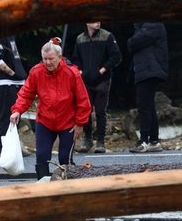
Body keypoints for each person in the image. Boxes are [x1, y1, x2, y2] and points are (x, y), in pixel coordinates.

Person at [10, 37, 91, 180]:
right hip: (45, 121)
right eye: (44, 59)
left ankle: (68, 188)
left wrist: (80, 123)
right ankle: (43, 188)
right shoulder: (36, 72)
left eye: (51, 59)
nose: (47, 62)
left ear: (60, 57)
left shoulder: (72, 73)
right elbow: (26, 93)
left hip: (68, 123)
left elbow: (83, 100)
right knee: (41, 156)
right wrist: (17, 110)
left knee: (65, 158)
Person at [72, 22, 122, 153]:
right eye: (94, 20)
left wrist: (103, 70)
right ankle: (87, 139)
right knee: (85, 110)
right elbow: (76, 58)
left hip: (102, 80)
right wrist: (80, 70)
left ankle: (100, 141)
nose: (97, 22)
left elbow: (116, 56)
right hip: (85, 80)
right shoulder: (80, 38)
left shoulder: (107, 36)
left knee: (100, 111)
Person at [127, 22, 168, 153]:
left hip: (149, 70)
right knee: (149, 106)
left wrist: (133, 38)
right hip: (148, 70)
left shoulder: (152, 24)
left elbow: (133, 43)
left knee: (144, 106)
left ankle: (143, 141)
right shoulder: (147, 26)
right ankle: (154, 141)